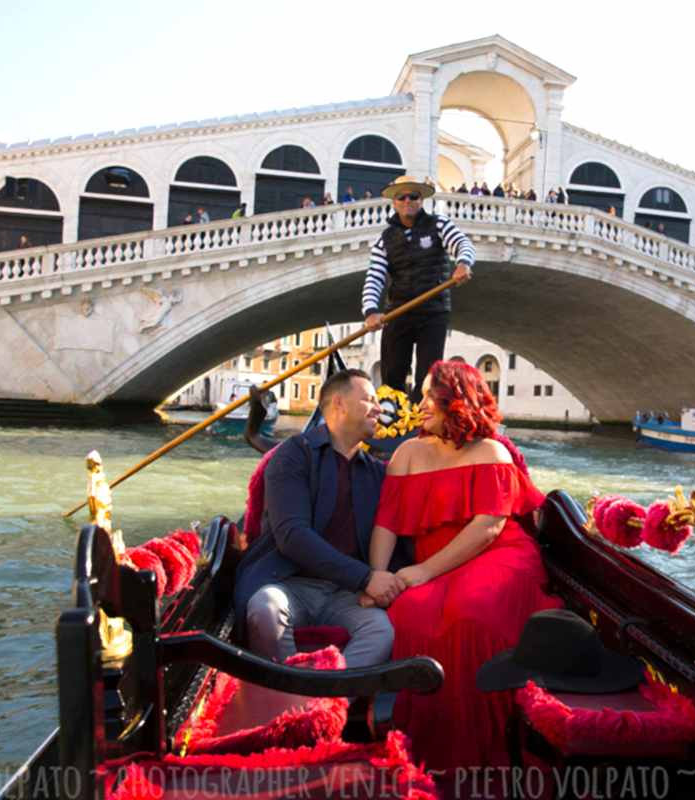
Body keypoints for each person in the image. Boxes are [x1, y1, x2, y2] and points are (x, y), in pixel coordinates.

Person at [366, 360, 561, 772]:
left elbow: (488, 529)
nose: (419, 405)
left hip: (499, 557)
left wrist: (421, 572)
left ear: (455, 401)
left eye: (427, 396)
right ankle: (424, 748)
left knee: (473, 612)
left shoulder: (492, 451)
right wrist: (375, 577)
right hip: (440, 564)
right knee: (408, 611)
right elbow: (386, 522)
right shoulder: (408, 453)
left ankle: (489, 748)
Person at [233, 369, 408, 668]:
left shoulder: (378, 473)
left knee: (381, 631)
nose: (380, 408)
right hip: (289, 582)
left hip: (346, 594)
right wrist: (366, 578)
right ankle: (295, 702)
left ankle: (323, 704)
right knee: (266, 609)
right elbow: (292, 536)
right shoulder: (292, 456)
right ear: (338, 403)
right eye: (369, 399)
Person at [361, 176, 474, 399]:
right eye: (401, 197)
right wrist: (371, 311)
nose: (407, 201)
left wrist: (463, 262)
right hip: (399, 311)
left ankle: (419, 420)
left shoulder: (439, 224)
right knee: (392, 376)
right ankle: (392, 422)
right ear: (394, 202)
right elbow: (374, 277)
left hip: (433, 311)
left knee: (427, 379)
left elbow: (463, 243)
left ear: (420, 200)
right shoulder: (384, 240)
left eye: (413, 196)